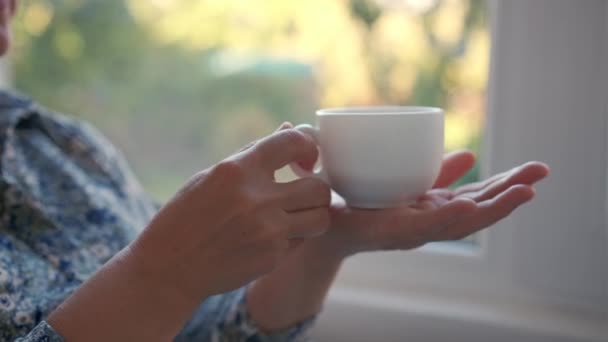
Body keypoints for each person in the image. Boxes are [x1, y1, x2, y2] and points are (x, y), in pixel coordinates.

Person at [0, 0, 549, 341]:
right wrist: (159, 277)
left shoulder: (58, 145)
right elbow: (161, 294)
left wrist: (324, 240)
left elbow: (201, 334)